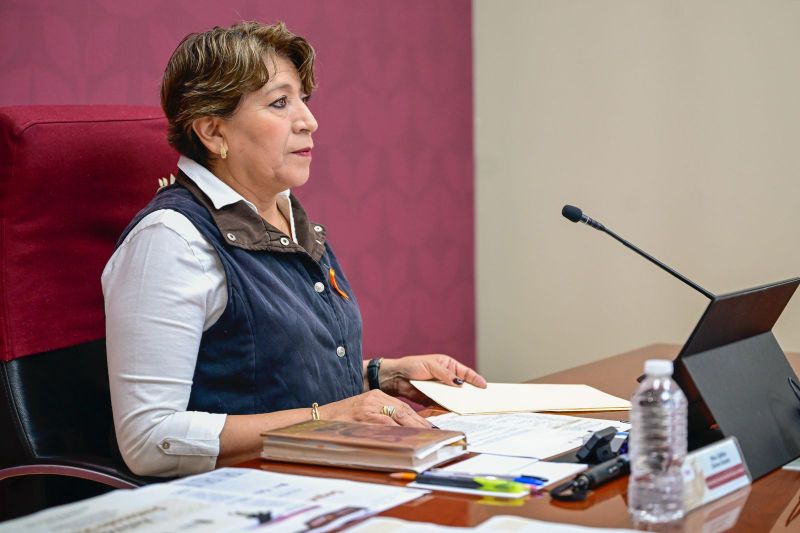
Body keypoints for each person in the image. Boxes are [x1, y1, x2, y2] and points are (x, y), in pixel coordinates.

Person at [102, 21, 486, 478]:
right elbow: (149, 440)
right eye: (280, 102)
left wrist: (383, 374)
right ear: (212, 131)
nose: (308, 121)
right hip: (242, 495)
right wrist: (331, 418)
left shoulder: (284, 214)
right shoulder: (170, 241)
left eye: (303, 99)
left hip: (323, 474)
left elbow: (268, 376)